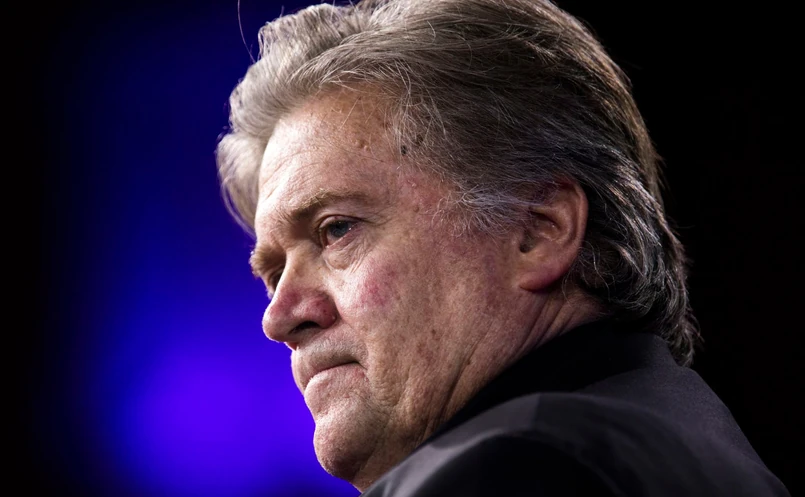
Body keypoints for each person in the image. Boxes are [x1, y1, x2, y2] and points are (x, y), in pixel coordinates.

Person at [215, 0, 790, 495]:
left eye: (337, 230)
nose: (279, 317)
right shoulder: (672, 437)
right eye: (273, 273)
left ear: (538, 231)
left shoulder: (516, 468)